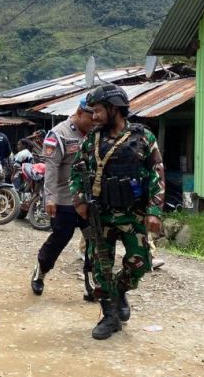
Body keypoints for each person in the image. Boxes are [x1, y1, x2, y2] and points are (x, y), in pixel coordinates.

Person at [70, 84, 164, 340]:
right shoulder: (92, 139)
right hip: (102, 214)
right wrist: (79, 201)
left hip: (134, 215)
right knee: (101, 267)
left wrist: (154, 210)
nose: (95, 116)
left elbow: (157, 173)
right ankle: (109, 315)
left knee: (140, 263)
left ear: (114, 109)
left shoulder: (143, 136)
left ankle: (121, 290)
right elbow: (77, 171)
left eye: (99, 110)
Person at [30, 98, 96, 297]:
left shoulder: (95, 134)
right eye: (90, 117)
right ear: (79, 112)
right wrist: (50, 198)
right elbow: (51, 168)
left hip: (89, 199)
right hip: (65, 198)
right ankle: (40, 271)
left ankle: (92, 283)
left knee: (94, 240)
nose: (94, 121)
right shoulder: (59, 133)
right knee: (61, 237)